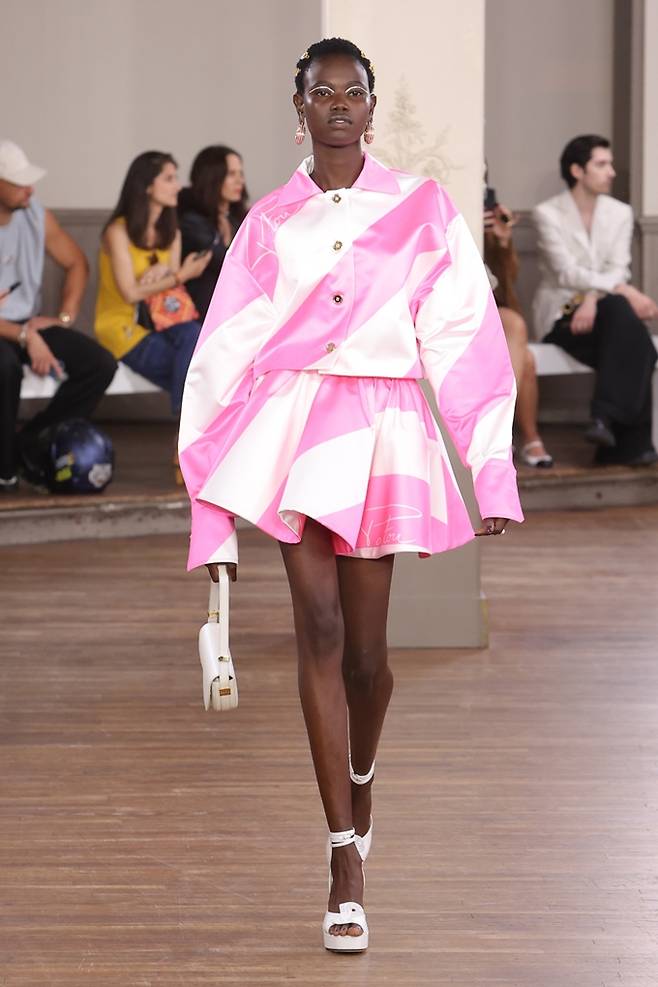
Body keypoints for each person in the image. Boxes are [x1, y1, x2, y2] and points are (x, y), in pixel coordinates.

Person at [178, 37, 523, 953]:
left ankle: (362, 781)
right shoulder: (267, 224)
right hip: (295, 430)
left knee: (368, 655)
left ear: (372, 107)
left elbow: (466, 337)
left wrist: (489, 465)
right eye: (321, 91)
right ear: (299, 108)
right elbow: (219, 360)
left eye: (354, 91)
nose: (338, 103)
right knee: (321, 629)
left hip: (382, 432)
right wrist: (209, 518)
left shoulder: (422, 208)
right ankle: (343, 859)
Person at [533, 134, 658, 466]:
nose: (611, 172)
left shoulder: (620, 213)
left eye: (610, 164)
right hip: (563, 315)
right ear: (577, 170)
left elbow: (618, 267)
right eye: (601, 164)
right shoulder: (547, 214)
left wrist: (592, 297)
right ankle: (631, 441)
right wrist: (623, 291)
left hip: (603, 315)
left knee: (625, 326)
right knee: (639, 340)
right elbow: (565, 273)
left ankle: (605, 420)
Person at [0, 140, 117, 493]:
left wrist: (63, 317)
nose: (30, 189)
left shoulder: (36, 216)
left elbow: (76, 262)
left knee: (99, 364)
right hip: (9, 332)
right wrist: (26, 338)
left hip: (27, 323)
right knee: (5, 368)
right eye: (20, 182)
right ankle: (4, 468)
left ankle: (30, 441)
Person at [95, 151, 211, 425]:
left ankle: (186, 430)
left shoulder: (172, 232)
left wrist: (166, 272)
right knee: (194, 369)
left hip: (163, 320)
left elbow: (169, 289)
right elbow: (130, 293)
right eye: (169, 179)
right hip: (122, 326)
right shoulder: (117, 232)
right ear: (147, 185)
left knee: (197, 338)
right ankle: (187, 430)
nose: (178, 186)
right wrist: (179, 274)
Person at [484, 199, 553, 467]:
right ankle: (527, 437)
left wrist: (501, 242)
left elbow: (503, 284)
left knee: (526, 357)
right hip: (465, 310)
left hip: (493, 309)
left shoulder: (490, 228)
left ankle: (505, 434)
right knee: (521, 344)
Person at [178, 145, 248, 321]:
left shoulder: (236, 219)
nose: (240, 181)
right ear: (211, 177)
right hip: (202, 313)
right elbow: (228, 263)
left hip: (234, 310)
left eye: (240, 173)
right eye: (231, 174)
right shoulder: (191, 220)